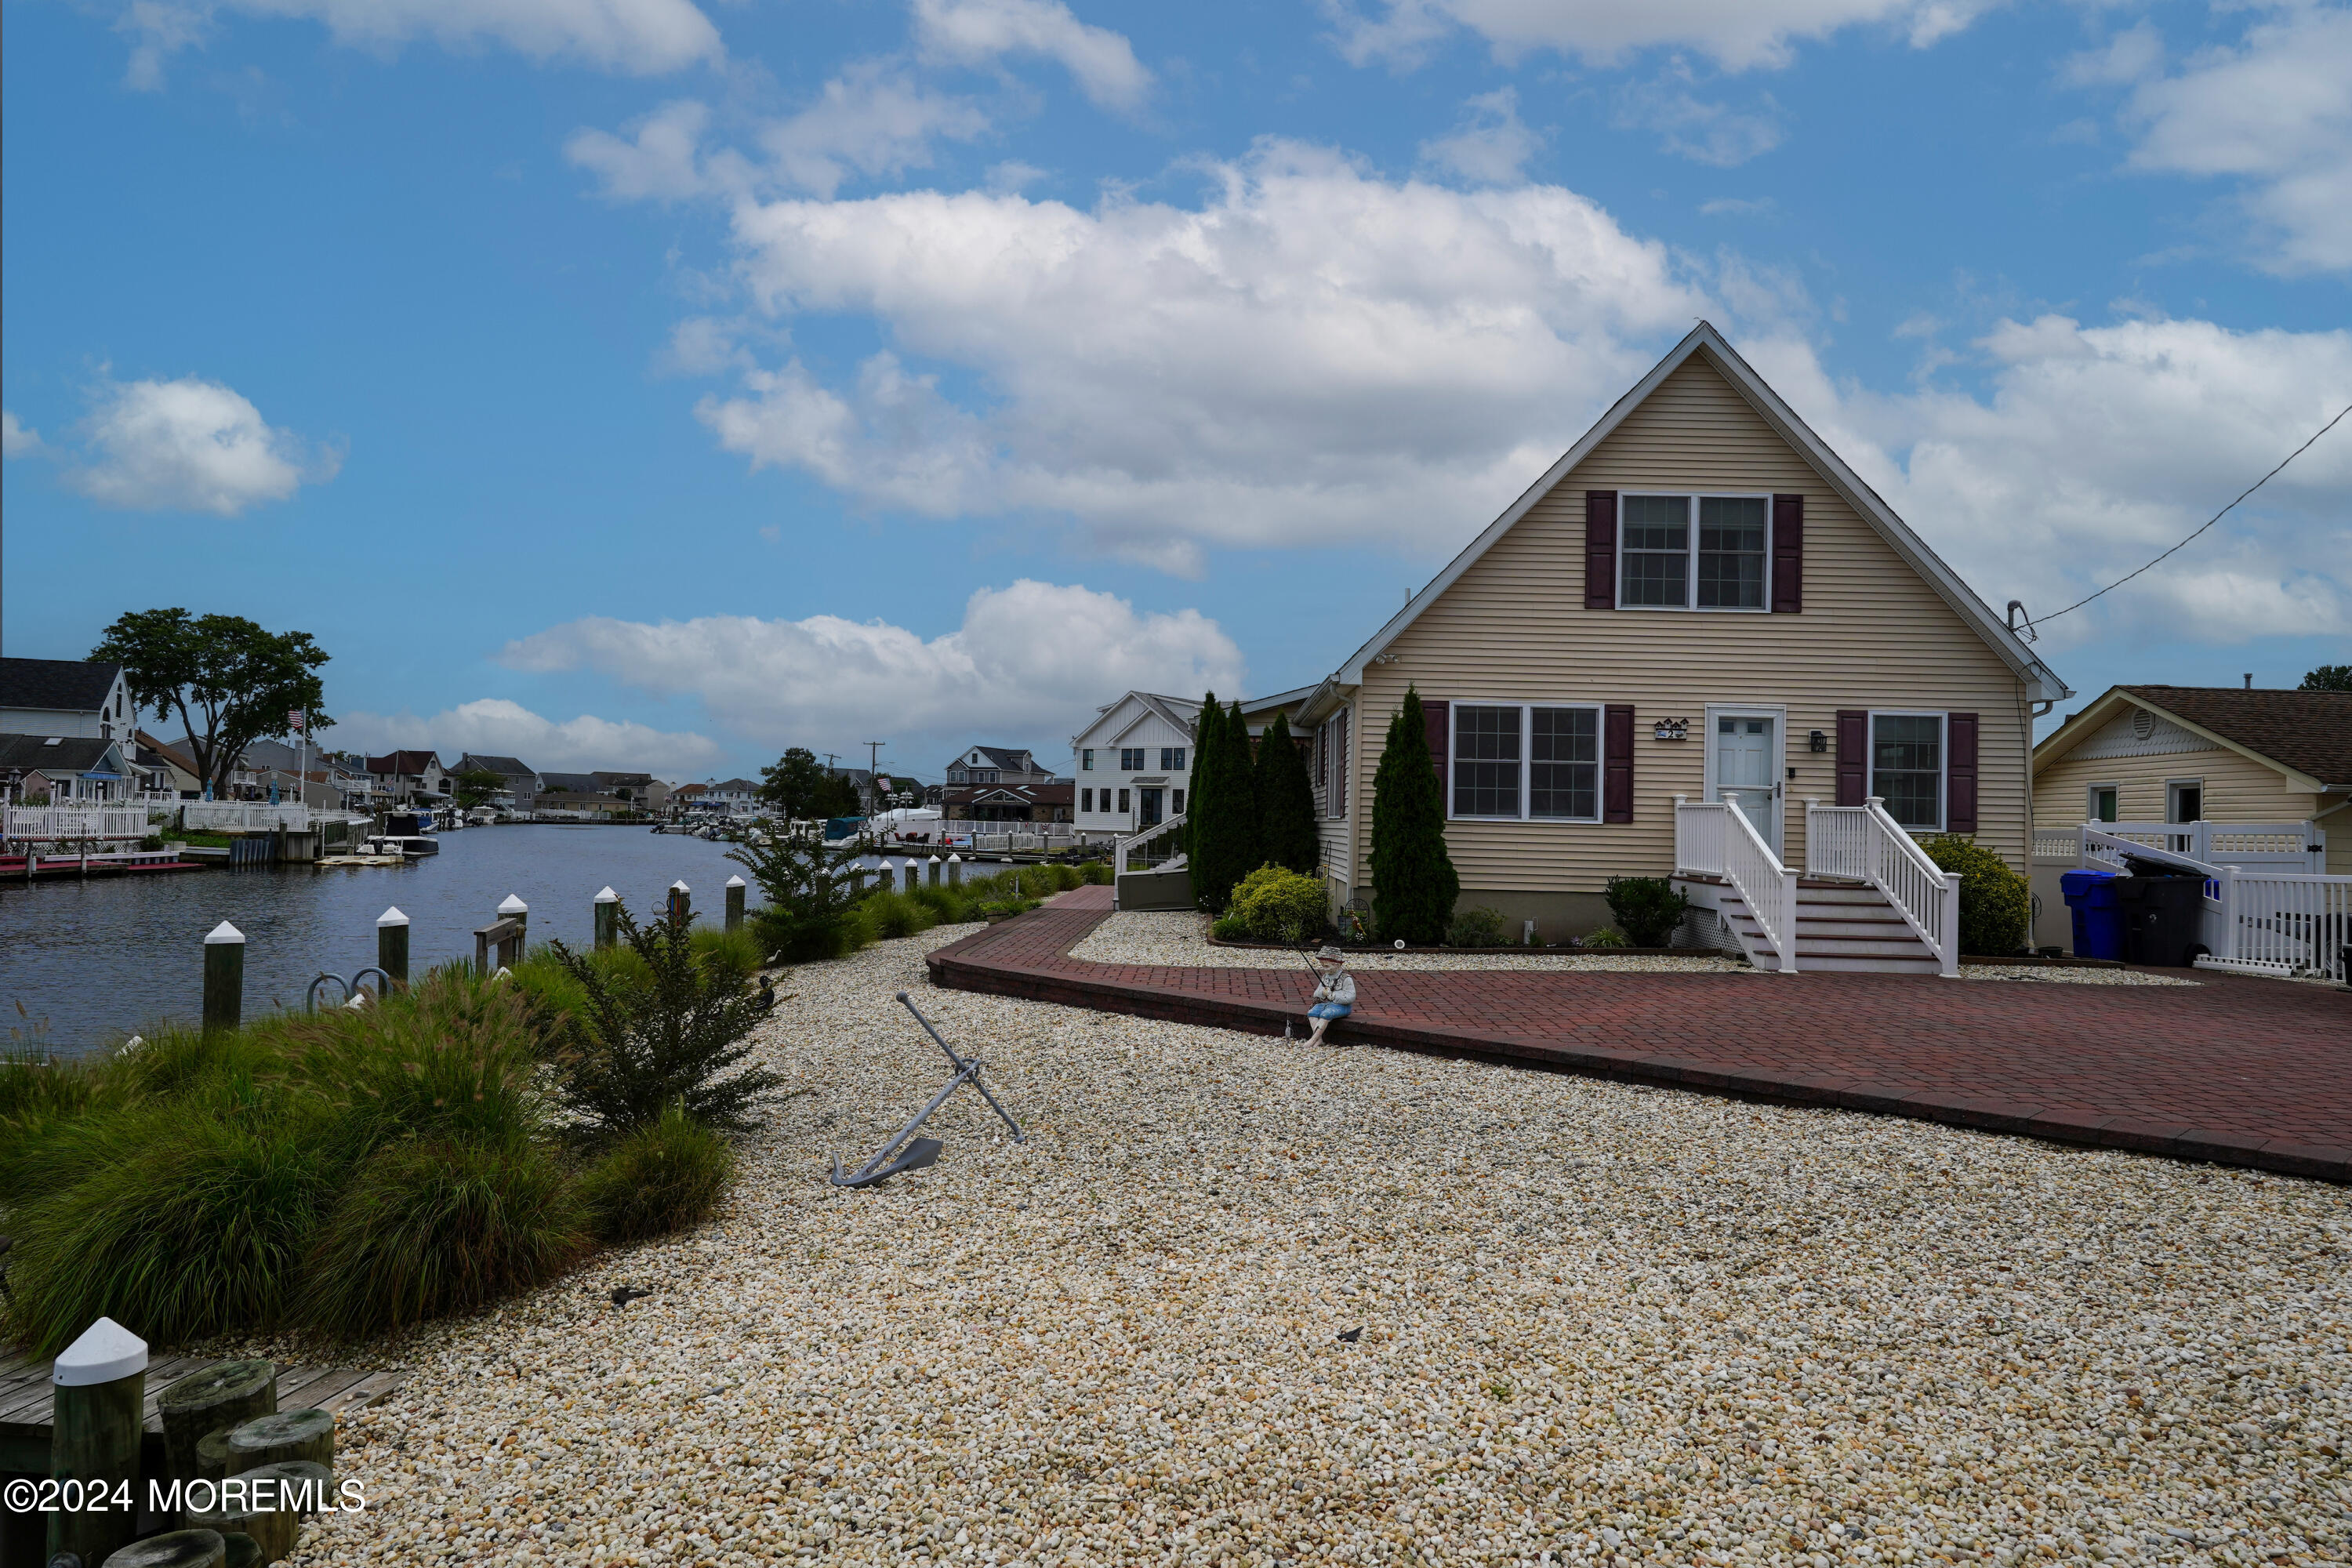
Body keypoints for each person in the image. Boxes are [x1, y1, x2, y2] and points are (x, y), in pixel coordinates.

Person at [1305, 944, 1355, 1047]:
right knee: (1312, 1013)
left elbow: (1351, 997)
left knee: (1326, 1014)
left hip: (1342, 1006)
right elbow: (1316, 994)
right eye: (1323, 966)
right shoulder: (1325, 977)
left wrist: (1333, 995)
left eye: (1327, 966)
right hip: (1326, 1003)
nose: (1325, 969)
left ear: (1337, 965)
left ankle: (1312, 1040)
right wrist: (1322, 993)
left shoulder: (1346, 979)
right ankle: (1319, 1040)